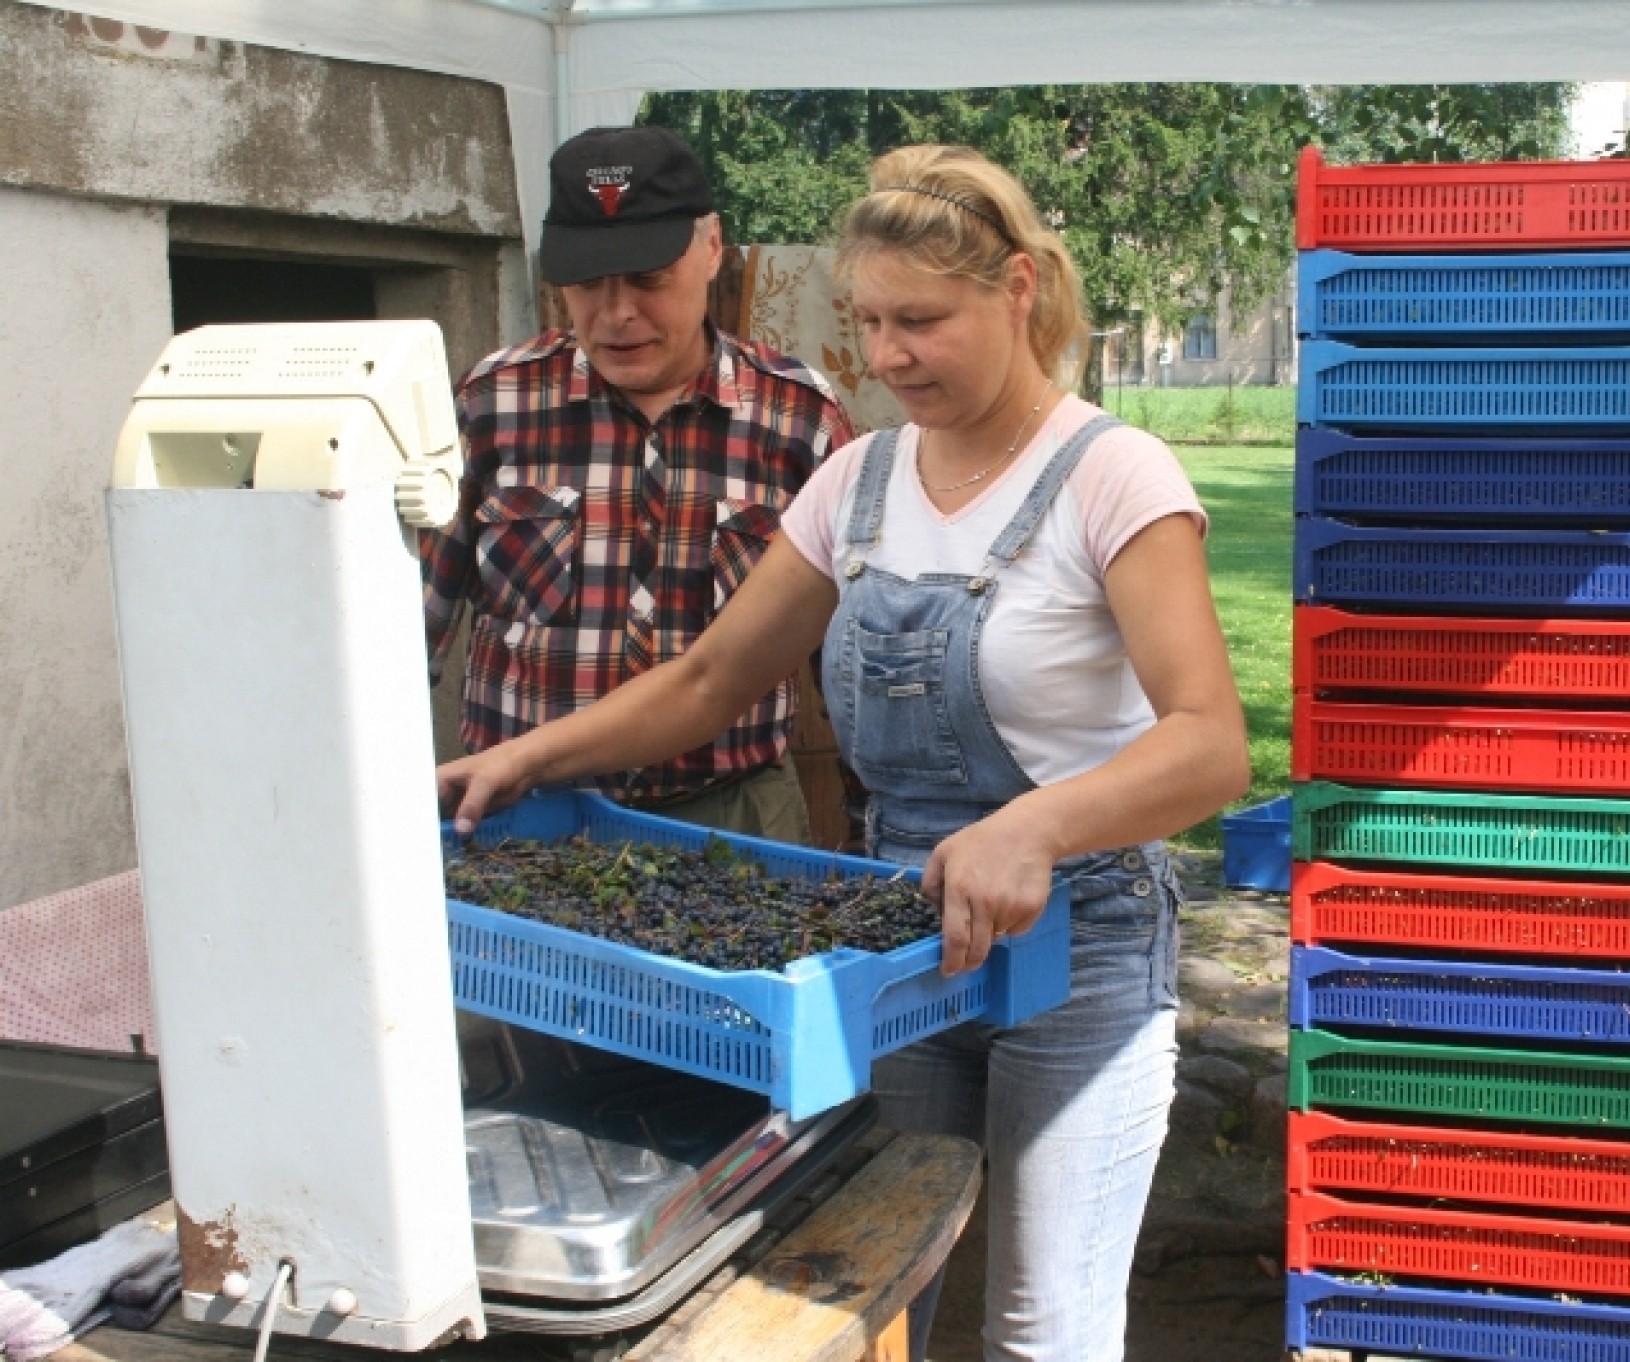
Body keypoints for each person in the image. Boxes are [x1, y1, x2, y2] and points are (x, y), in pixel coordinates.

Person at [440, 143, 1249, 1362]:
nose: (883, 358)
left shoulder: (1112, 476)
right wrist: (528, 758)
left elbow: (1209, 747)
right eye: (866, 321)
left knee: (1042, 1327)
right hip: (893, 945)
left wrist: (1032, 827)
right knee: (862, 1295)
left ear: (1017, 289)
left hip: (1080, 946)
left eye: (919, 321)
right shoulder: (855, 479)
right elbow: (711, 678)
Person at [421, 124, 855, 842]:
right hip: (525, 820)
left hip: (733, 815)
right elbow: (408, 631)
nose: (617, 313)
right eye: (587, 284)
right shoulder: (492, 403)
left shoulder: (797, 417)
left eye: (650, 280)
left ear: (712, 247)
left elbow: (846, 668)